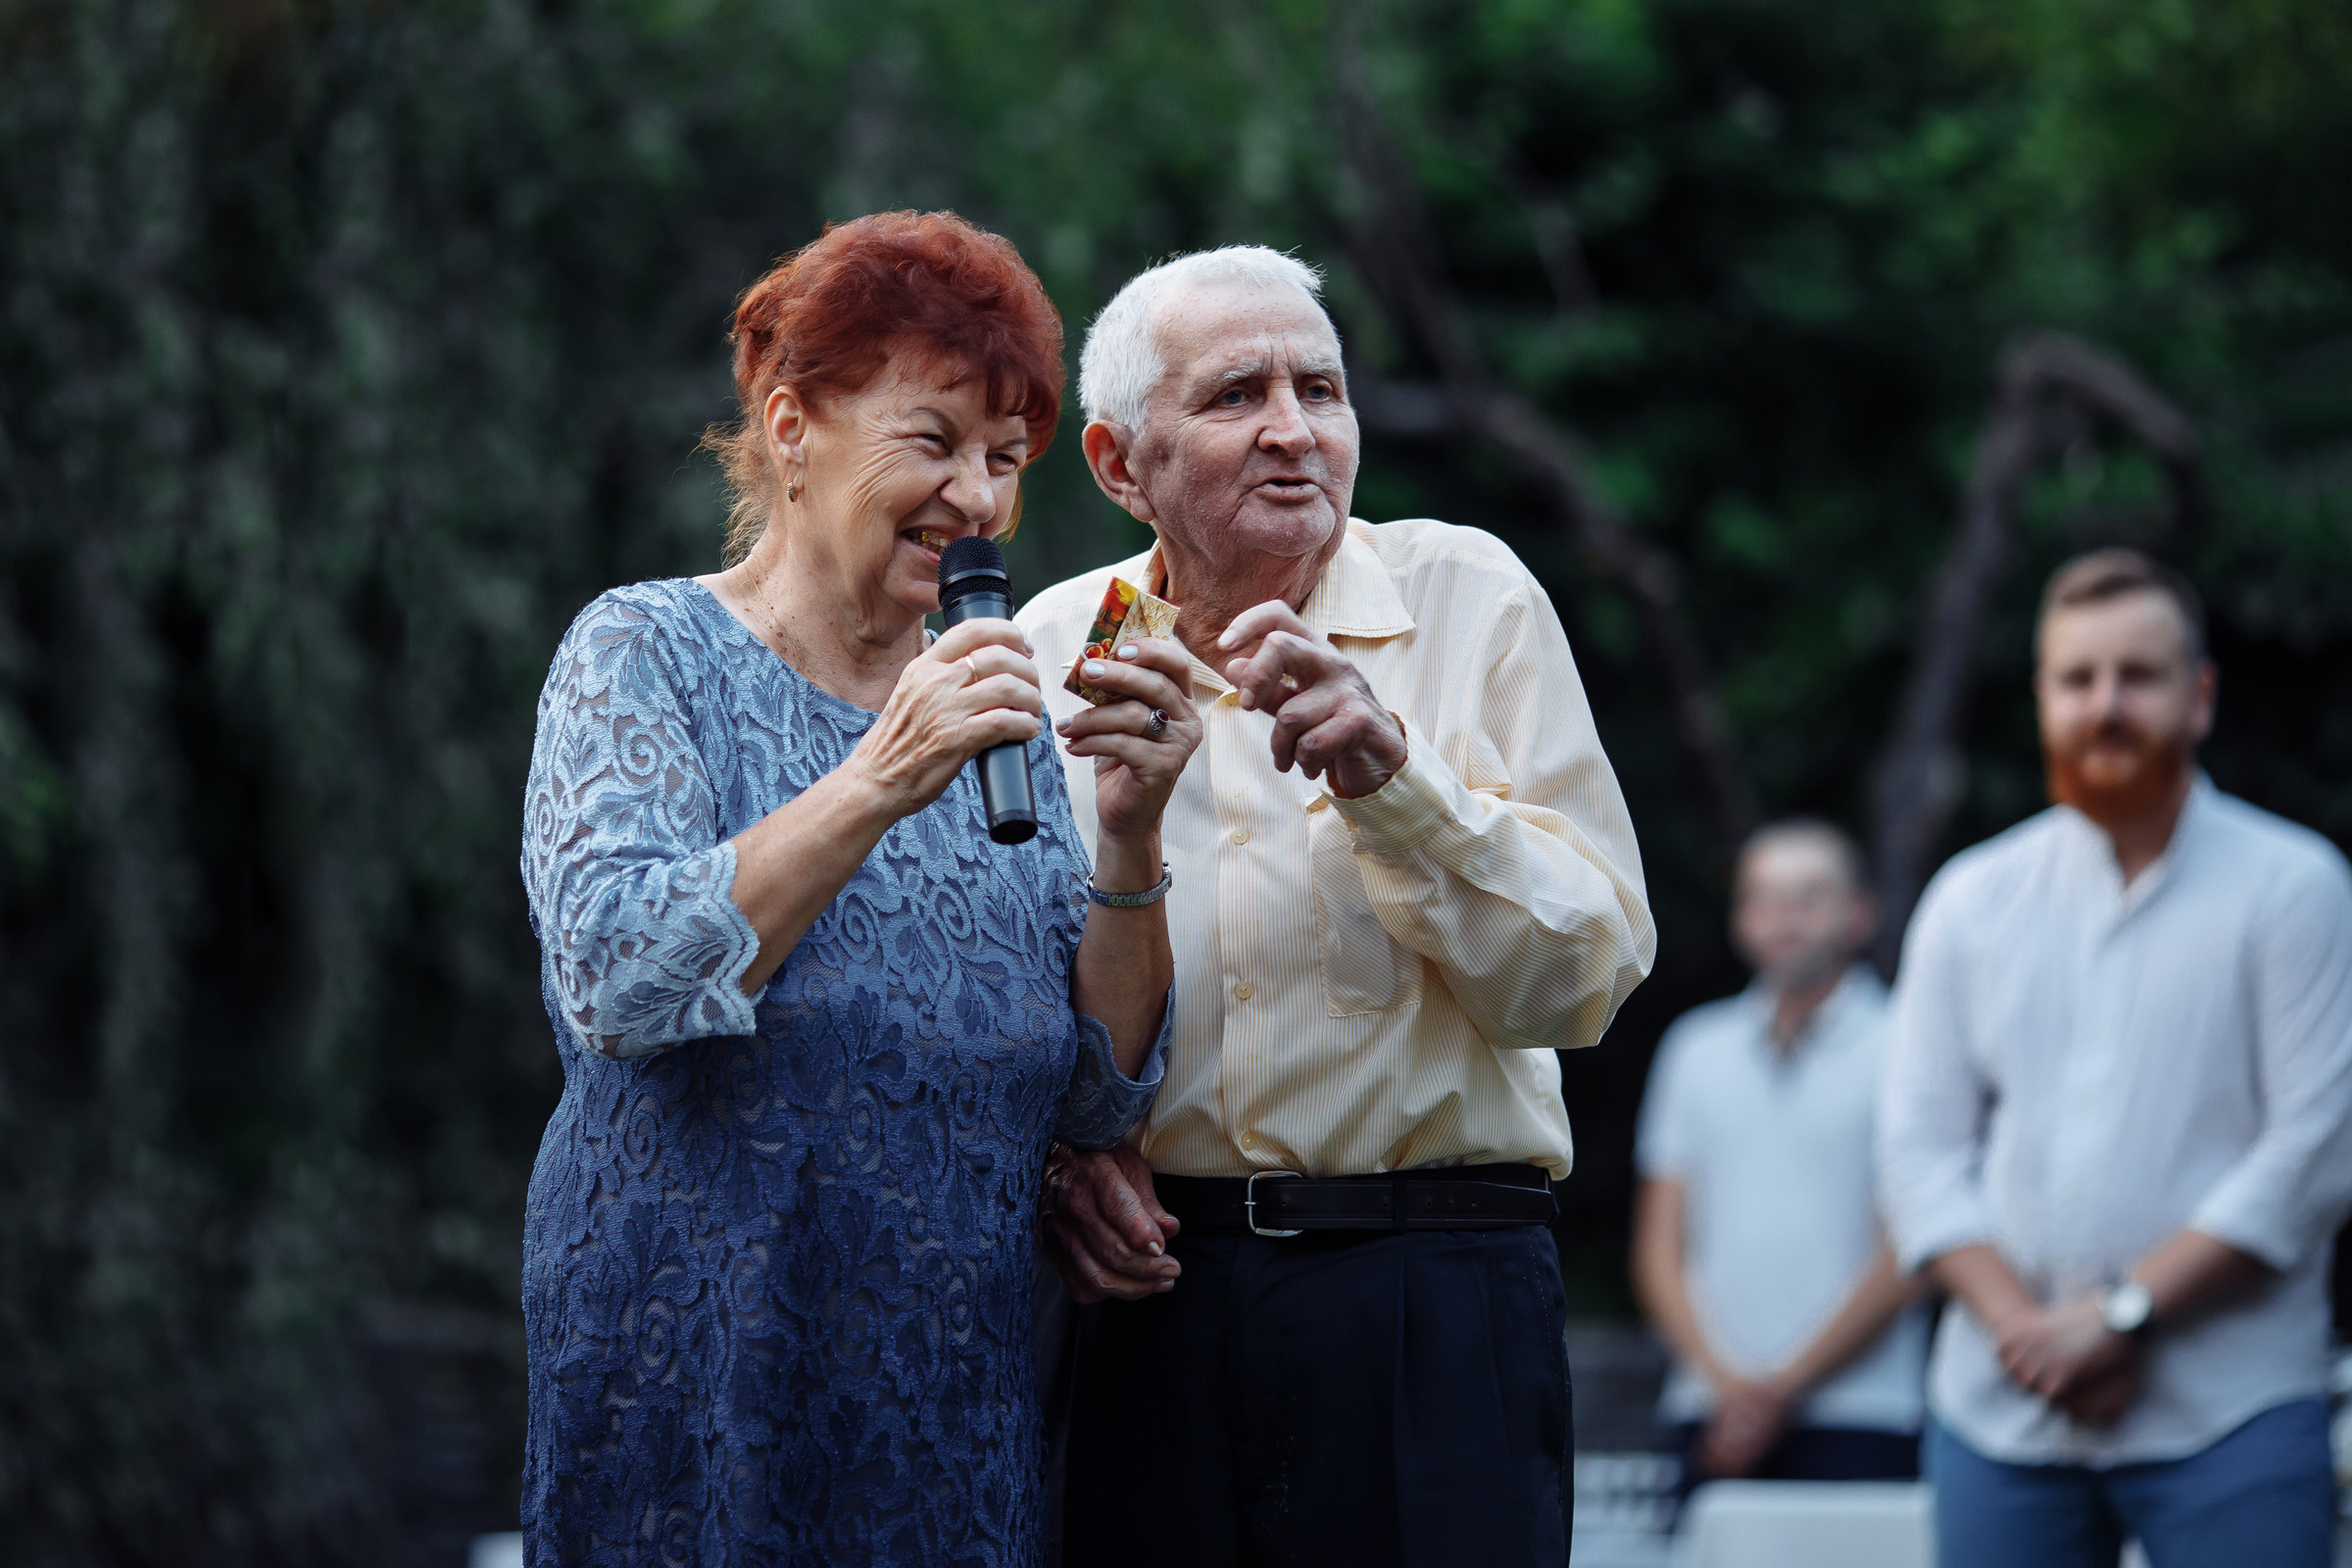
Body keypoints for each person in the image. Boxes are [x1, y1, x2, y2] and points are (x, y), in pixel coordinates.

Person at [515, 211, 1202, 1566]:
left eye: (1007, 460)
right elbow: (622, 973)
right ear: (790, 429)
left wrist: (1128, 843)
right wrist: (885, 773)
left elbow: (1094, 1093)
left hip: (956, 1408)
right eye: (933, 443)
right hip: (701, 1381)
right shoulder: (644, 652)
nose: (981, 501)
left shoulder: (990, 709)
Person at [1016, 246, 1655, 1567]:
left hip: (1432, 1287)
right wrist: (1062, 1160)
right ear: (1118, 463)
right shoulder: (1049, 651)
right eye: (1238, 393)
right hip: (1152, 1308)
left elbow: (1584, 984)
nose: (1294, 431)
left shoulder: (1467, 598)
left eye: (1322, 387)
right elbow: (1001, 1011)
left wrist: (1397, 782)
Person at [1878, 549, 2352, 1568]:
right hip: (1999, 1413)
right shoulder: (1972, 896)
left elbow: (2315, 1151)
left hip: (2233, 1407)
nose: (2106, 705)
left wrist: (2119, 1318)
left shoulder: (2295, 887)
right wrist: (2037, 1339)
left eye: (2138, 675)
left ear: (2201, 695)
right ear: (2042, 696)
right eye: (2077, 678)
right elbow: (1916, 1151)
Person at [1632, 820, 1926, 1499]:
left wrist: (1779, 1390)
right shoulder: (1694, 1050)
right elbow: (1658, 1249)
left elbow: (1911, 1248)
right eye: (1763, 896)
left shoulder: (1907, 1046)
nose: (1784, 916)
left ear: (1859, 914)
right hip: (1707, 1409)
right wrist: (1730, 1387)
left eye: (1809, 895)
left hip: (1864, 1412)